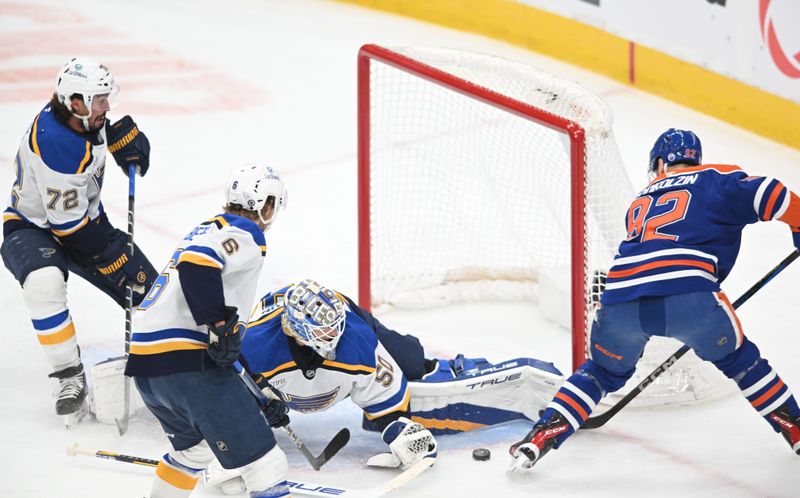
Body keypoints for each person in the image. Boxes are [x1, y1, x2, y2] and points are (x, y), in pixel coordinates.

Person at [509, 128, 800, 472]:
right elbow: (772, 192)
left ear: (660, 164)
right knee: (741, 362)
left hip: (619, 300)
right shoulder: (716, 178)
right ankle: (795, 429)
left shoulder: (640, 200)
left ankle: (540, 436)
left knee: (600, 372)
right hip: (690, 297)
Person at [209, 278, 565, 494]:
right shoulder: (255, 346)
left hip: (347, 315)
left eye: (334, 331)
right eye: (324, 335)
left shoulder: (354, 338)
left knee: (410, 360)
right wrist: (253, 413)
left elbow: (386, 397)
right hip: (278, 327)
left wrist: (398, 430)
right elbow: (223, 388)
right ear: (299, 334)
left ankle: (453, 367)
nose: (334, 339)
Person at [1, 56, 157, 423]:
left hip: (85, 223)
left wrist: (120, 142)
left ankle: (178, 363)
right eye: (99, 100)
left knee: (153, 298)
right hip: (32, 228)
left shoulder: (80, 120)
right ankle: (69, 375)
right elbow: (68, 228)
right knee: (43, 284)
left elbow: (94, 147)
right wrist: (111, 254)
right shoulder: (56, 142)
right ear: (75, 102)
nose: (107, 107)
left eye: (106, 99)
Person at [124, 164, 290, 498]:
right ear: (264, 203)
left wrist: (257, 390)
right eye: (272, 203)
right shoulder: (245, 231)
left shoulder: (206, 230)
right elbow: (196, 266)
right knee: (266, 466)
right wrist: (219, 324)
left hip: (148, 368)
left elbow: (222, 341)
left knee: (194, 453)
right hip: (188, 369)